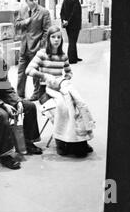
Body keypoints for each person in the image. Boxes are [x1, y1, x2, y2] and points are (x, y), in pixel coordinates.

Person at [26, 25, 95, 158]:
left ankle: (80, 140)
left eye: (58, 37)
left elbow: (69, 73)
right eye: (53, 37)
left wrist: (64, 79)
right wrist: (44, 76)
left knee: (76, 106)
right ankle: (60, 140)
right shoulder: (41, 53)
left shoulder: (63, 56)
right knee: (60, 108)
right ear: (48, 38)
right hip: (44, 92)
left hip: (60, 88)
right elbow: (28, 70)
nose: (56, 40)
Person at [0, 36, 42, 170]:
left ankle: (28, 142)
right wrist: (4, 105)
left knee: (29, 106)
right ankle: (6, 155)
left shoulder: (1, 63)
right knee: (3, 115)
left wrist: (17, 101)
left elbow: (5, 87)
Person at [14, 0, 51, 101]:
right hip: (24, 46)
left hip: (36, 46)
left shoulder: (44, 12)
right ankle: (19, 94)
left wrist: (41, 46)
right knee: (21, 72)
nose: (34, 2)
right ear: (26, 1)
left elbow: (47, 31)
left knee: (35, 72)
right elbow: (16, 25)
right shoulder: (22, 10)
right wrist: (25, 22)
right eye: (31, 0)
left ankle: (37, 93)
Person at [60, 0, 83, 64]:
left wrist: (64, 21)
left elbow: (62, 11)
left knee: (72, 41)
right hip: (74, 24)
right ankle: (72, 59)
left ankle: (74, 56)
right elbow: (75, 13)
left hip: (67, 25)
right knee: (73, 41)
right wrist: (69, 21)